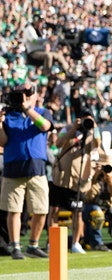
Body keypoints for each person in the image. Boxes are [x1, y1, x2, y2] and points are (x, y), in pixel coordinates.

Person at [0, 82, 51, 259]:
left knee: (41, 209)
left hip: (36, 166)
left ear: (36, 95)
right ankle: (15, 246)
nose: (25, 95)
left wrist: (27, 108)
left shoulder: (42, 112)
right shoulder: (9, 116)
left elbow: (45, 126)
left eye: (29, 92)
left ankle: (33, 245)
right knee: (14, 209)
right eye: (22, 92)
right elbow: (2, 142)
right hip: (13, 166)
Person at [49, 109, 100, 254]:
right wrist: (74, 129)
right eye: (84, 120)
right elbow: (58, 143)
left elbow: (98, 144)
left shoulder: (92, 134)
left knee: (77, 213)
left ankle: (76, 243)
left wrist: (94, 128)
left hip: (79, 180)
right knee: (54, 210)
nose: (86, 123)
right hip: (61, 178)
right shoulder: (68, 129)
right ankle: (51, 242)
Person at [82, 152, 112, 252]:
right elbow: (86, 194)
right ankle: (97, 243)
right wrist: (95, 176)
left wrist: (109, 181)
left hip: (105, 208)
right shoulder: (92, 175)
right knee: (96, 213)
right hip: (89, 206)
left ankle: (86, 241)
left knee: (86, 239)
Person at [22, 12, 71, 77]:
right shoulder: (29, 29)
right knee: (49, 55)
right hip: (33, 52)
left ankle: (68, 71)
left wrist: (51, 40)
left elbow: (45, 42)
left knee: (58, 56)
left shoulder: (40, 30)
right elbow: (35, 41)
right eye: (40, 21)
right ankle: (47, 74)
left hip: (42, 51)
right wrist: (48, 39)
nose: (42, 23)